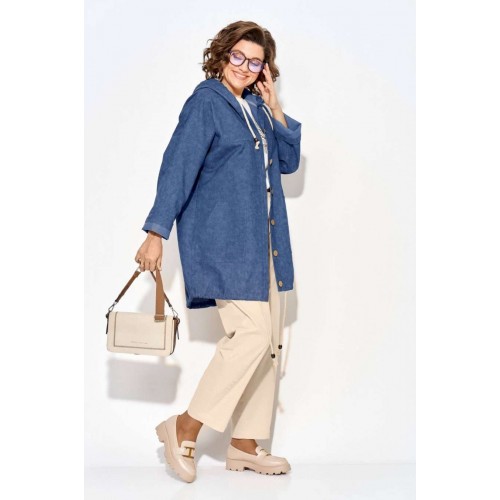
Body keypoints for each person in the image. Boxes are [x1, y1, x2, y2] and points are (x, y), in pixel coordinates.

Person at [135, 20, 302, 483]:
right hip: (225, 243)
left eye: (256, 62)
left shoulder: (258, 109)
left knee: (267, 342)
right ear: (223, 54)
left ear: (264, 69)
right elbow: (177, 166)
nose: (245, 67)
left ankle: (245, 443)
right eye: (238, 56)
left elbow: (288, 163)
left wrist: (275, 106)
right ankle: (185, 427)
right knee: (252, 335)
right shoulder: (207, 101)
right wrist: (156, 231)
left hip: (266, 243)